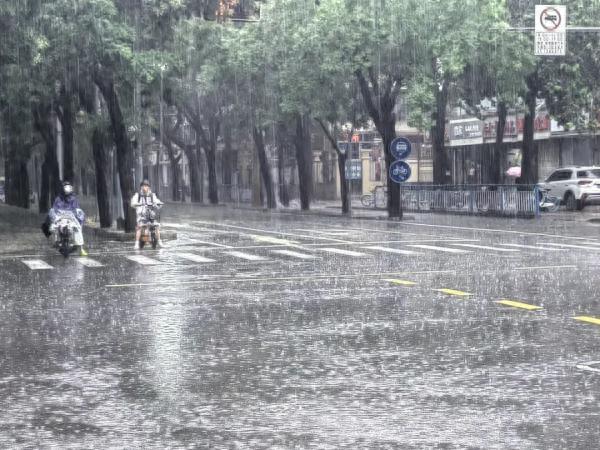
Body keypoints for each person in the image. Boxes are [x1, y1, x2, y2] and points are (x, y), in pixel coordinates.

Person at [42, 181, 88, 256]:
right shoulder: (58, 199)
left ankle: (81, 249)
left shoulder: (73, 199)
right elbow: (54, 208)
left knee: (78, 228)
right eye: (65, 187)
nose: (67, 189)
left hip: (71, 217)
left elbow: (77, 209)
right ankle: (56, 240)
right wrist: (54, 215)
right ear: (63, 189)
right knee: (53, 226)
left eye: (68, 187)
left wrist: (78, 215)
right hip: (60, 217)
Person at [131, 179, 163, 249]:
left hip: (150, 214)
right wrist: (137, 204)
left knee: (156, 226)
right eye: (143, 186)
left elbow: (156, 201)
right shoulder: (138, 195)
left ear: (148, 187)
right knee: (139, 227)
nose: (144, 187)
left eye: (146, 186)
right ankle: (136, 243)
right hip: (141, 214)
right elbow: (133, 203)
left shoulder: (152, 195)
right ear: (141, 187)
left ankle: (159, 241)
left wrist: (159, 203)